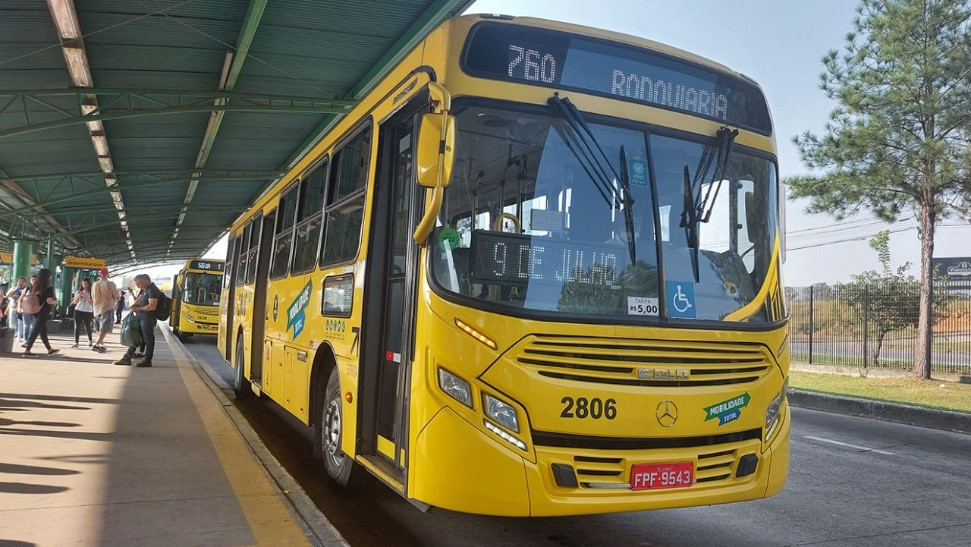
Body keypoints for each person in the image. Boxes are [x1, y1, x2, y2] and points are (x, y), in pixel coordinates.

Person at [113, 274, 160, 367]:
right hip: (141, 317)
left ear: (146, 281)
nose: (139, 286)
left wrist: (139, 309)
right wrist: (134, 306)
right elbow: (138, 300)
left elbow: (152, 306)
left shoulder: (152, 290)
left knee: (148, 339)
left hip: (147, 318)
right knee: (136, 337)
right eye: (137, 284)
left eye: (140, 284)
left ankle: (147, 360)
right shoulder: (145, 290)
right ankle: (127, 358)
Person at [22, 268, 59, 357]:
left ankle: (49, 349)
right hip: (44, 311)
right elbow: (49, 301)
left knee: (43, 330)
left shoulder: (34, 287)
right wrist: (56, 302)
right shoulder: (49, 288)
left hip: (35, 310)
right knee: (36, 329)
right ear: (48, 277)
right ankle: (27, 350)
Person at [91, 267, 120, 353]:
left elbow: (92, 297)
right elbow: (116, 296)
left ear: (100, 275)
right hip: (107, 307)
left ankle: (101, 345)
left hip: (96, 308)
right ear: (107, 274)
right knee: (104, 327)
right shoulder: (110, 284)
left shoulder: (94, 284)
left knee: (98, 328)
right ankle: (96, 344)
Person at [71, 277, 95, 348]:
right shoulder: (79, 292)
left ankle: (90, 340)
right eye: (83, 284)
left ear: (89, 284)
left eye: (86, 284)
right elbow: (74, 302)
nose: (84, 285)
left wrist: (87, 297)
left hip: (87, 310)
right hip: (78, 309)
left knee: (87, 325)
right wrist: (78, 297)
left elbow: (92, 303)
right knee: (77, 326)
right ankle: (76, 342)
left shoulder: (91, 292)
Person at [6, 277, 27, 342]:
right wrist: (15, 290)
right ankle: (12, 335)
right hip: (13, 307)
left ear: (25, 283)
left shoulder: (26, 289)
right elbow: (7, 295)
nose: (21, 283)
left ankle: (19, 336)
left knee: (20, 322)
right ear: (17, 282)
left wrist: (19, 297)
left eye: (22, 281)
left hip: (22, 308)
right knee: (12, 321)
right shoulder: (13, 288)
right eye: (19, 281)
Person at [20, 274, 37, 346]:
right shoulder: (26, 289)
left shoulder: (40, 290)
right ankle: (25, 340)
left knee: (33, 326)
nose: (34, 281)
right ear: (30, 280)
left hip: (36, 310)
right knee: (26, 326)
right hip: (26, 309)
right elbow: (21, 299)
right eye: (32, 280)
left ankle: (30, 340)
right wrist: (19, 307)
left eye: (36, 280)